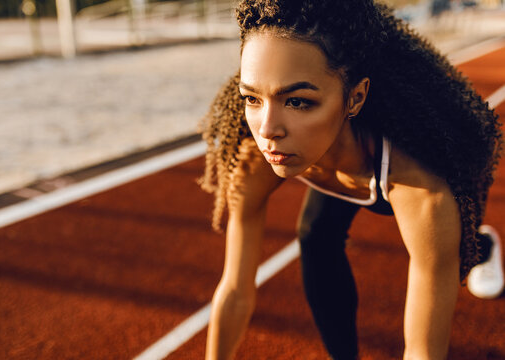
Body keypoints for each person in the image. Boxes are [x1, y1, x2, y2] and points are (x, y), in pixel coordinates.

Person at [198, 0, 504, 359]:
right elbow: (234, 289)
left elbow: (423, 351)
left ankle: (482, 247)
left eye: (297, 102)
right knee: (315, 236)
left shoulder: (422, 190)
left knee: (450, 246)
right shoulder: (254, 154)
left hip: (374, 168)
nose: (268, 130)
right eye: (252, 98)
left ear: (355, 97)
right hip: (334, 155)